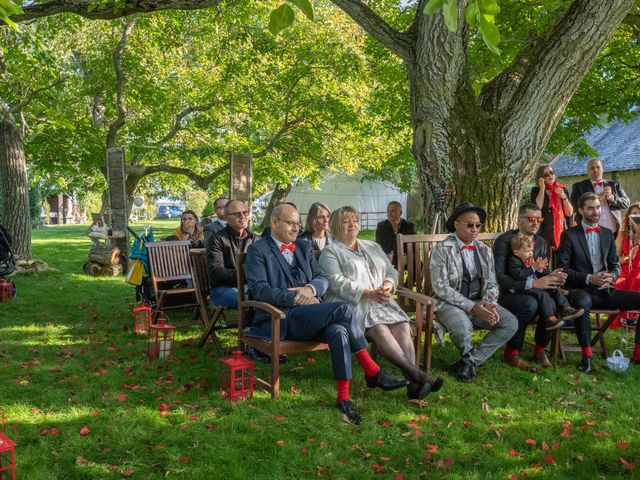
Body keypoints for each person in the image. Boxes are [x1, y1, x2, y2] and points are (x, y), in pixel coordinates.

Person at [245, 204, 407, 424]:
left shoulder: (302, 247)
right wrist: (294, 296)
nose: (295, 228)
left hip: (311, 313)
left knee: (339, 330)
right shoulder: (258, 250)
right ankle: (372, 370)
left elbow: (322, 278)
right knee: (343, 308)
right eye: (290, 223)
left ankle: (343, 398)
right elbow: (259, 289)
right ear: (274, 222)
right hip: (281, 318)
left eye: (297, 224)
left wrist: (310, 289)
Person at [319, 206, 444, 400]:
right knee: (380, 329)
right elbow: (337, 283)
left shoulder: (372, 246)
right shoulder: (331, 252)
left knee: (402, 325)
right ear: (335, 227)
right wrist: (368, 292)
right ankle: (417, 375)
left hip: (382, 301)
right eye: (346, 221)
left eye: (354, 220)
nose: (352, 224)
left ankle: (413, 382)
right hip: (352, 305)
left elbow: (391, 271)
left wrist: (387, 284)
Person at [429, 203, 518, 381]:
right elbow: (440, 287)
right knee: (463, 330)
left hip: (480, 302)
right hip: (448, 303)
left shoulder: (484, 250)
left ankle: (469, 362)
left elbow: (492, 282)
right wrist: (472, 307)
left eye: (478, 225)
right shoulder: (442, 249)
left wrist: (487, 304)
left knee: (510, 323)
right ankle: (469, 363)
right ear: (456, 224)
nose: (475, 229)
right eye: (470, 225)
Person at [557, 192, 640, 373]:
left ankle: (638, 355)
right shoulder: (569, 235)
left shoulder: (607, 234)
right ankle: (587, 356)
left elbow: (615, 265)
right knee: (582, 303)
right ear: (580, 210)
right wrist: (589, 278)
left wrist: (612, 277)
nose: (595, 211)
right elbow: (562, 268)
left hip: (605, 290)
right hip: (580, 289)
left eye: (597, 207)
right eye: (590, 208)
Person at [494, 204, 567, 371]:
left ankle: (540, 350)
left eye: (539, 219)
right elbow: (499, 277)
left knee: (550, 301)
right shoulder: (505, 241)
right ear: (519, 220)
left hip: (532, 291)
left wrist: (551, 275)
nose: (536, 223)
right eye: (531, 219)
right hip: (507, 293)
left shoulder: (540, 241)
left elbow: (538, 269)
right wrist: (532, 283)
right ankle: (512, 352)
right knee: (530, 304)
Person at [507, 234, 583, 330]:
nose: (531, 253)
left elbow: (535, 274)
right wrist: (533, 267)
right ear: (516, 252)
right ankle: (549, 319)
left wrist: (540, 269)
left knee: (553, 288)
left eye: (531, 250)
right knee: (543, 294)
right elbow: (519, 275)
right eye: (527, 251)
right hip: (521, 288)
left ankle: (565, 308)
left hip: (533, 285)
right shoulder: (514, 261)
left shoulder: (529, 260)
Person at [206, 200, 260, 308]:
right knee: (250, 301)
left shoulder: (255, 239)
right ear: (226, 217)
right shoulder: (217, 239)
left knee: (268, 297)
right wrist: (245, 274)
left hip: (249, 286)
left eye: (245, 212)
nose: (242, 216)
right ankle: (251, 325)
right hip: (223, 289)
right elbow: (216, 272)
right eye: (237, 214)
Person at [570, 159, 630, 236]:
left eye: (598, 167)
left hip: (614, 232)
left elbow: (626, 202)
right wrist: (597, 197)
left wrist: (612, 197)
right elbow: (575, 207)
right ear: (587, 171)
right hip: (589, 232)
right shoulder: (578, 187)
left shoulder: (614, 185)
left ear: (602, 169)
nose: (595, 170)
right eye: (592, 168)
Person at [611, 202, 640, 328]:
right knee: (619, 283)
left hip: (639, 270)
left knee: (637, 281)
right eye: (634, 213)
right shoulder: (622, 234)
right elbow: (614, 260)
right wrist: (629, 257)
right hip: (623, 269)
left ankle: (634, 321)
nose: (637, 216)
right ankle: (619, 321)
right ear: (629, 216)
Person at [531, 164, 573, 252]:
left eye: (552, 172)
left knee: (562, 260)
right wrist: (542, 188)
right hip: (543, 231)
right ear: (541, 178)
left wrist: (563, 196)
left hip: (561, 230)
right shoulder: (536, 190)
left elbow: (569, 212)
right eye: (546, 174)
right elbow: (537, 208)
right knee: (543, 259)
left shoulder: (562, 189)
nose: (550, 175)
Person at [375, 201, 416, 269]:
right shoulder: (381, 226)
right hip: (387, 257)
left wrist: (407, 255)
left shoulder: (409, 227)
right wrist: (386, 254)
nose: (389, 213)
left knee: (419, 266)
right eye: (388, 211)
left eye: (393, 211)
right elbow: (378, 245)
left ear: (400, 212)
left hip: (405, 257)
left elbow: (414, 247)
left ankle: (406, 280)